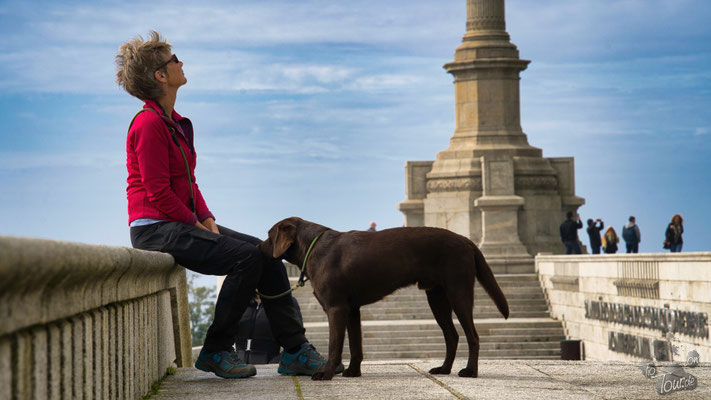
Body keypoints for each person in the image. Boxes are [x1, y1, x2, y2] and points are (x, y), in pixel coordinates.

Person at [115, 31, 339, 379]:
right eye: (174, 60)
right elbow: (158, 193)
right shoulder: (147, 124)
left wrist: (206, 218)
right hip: (154, 229)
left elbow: (189, 183)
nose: (181, 62)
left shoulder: (176, 124)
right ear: (160, 76)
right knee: (245, 257)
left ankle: (295, 350)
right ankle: (217, 350)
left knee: (267, 252)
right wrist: (193, 222)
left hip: (178, 221)